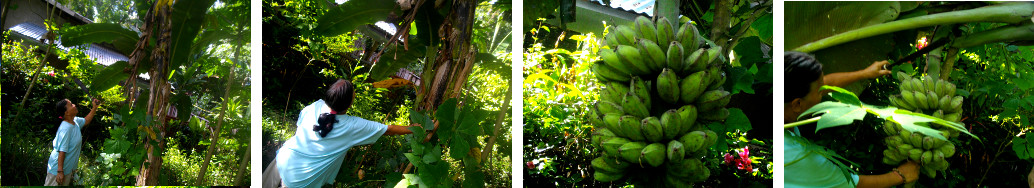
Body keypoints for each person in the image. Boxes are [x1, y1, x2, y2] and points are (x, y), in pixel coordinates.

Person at [783, 52, 919, 188]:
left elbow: (826, 83)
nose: (823, 91)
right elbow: (852, 184)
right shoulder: (796, 156)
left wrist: (865, 73)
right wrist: (900, 176)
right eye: (819, 91)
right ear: (797, 104)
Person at [263, 79, 426, 188]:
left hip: (282, 159)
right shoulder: (352, 126)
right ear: (349, 103)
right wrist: (413, 127)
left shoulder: (315, 106)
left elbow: (300, 126)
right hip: (301, 180)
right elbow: (388, 129)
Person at [45, 98, 100, 186]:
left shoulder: (75, 121)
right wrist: (59, 171)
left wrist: (94, 107)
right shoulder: (65, 128)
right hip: (57, 170)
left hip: (66, 169)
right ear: (66, 113)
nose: (74, 105)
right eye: (71, 105)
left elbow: (86, 120)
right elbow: (62, 151)